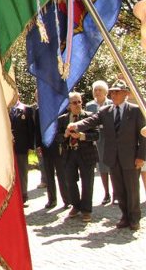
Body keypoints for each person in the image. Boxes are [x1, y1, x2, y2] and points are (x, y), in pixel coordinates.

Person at [67, 79, 145, 231]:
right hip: (112, 157)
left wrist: (141, 156)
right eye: (113, 92)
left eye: (117, 92)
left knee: (132, 189)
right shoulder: (105, 111)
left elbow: (143, 136)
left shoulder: (135, 111)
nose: (114, 94)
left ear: (126, 94)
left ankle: (134, 218)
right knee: (119, 189)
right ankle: (124, 216)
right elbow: (91, 120)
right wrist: (76, 125)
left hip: (131, 157)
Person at [61, 92, 99, 223]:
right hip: (70, 154)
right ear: (68, 105)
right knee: (70, 181)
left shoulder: (89, 117)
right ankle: (75, 206)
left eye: (79, 102)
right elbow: (56, 139)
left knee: (87, 182)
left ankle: (86, 210)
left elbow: (97, 135)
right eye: (74, 103)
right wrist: (65, 135)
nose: (77, 105)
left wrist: (82, 136)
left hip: (86, 153)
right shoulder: (63, 119)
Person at [85, 80, 113, 204]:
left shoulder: (111, 103)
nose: (97, 92)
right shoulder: (90, 105)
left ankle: (116, 192)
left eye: (100, 90)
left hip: (111, 137)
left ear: (106, 91)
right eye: (95, 90)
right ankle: (106, 193)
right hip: (97, 138)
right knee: (102, 165)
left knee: (112, 164)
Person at [9, 97, 35, 204]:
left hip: (21, 145)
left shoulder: (26, 109)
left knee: (22, 170)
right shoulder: (5, 108)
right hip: (9, 146)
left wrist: (30, 146)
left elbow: (30, 129)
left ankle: (23, 194)